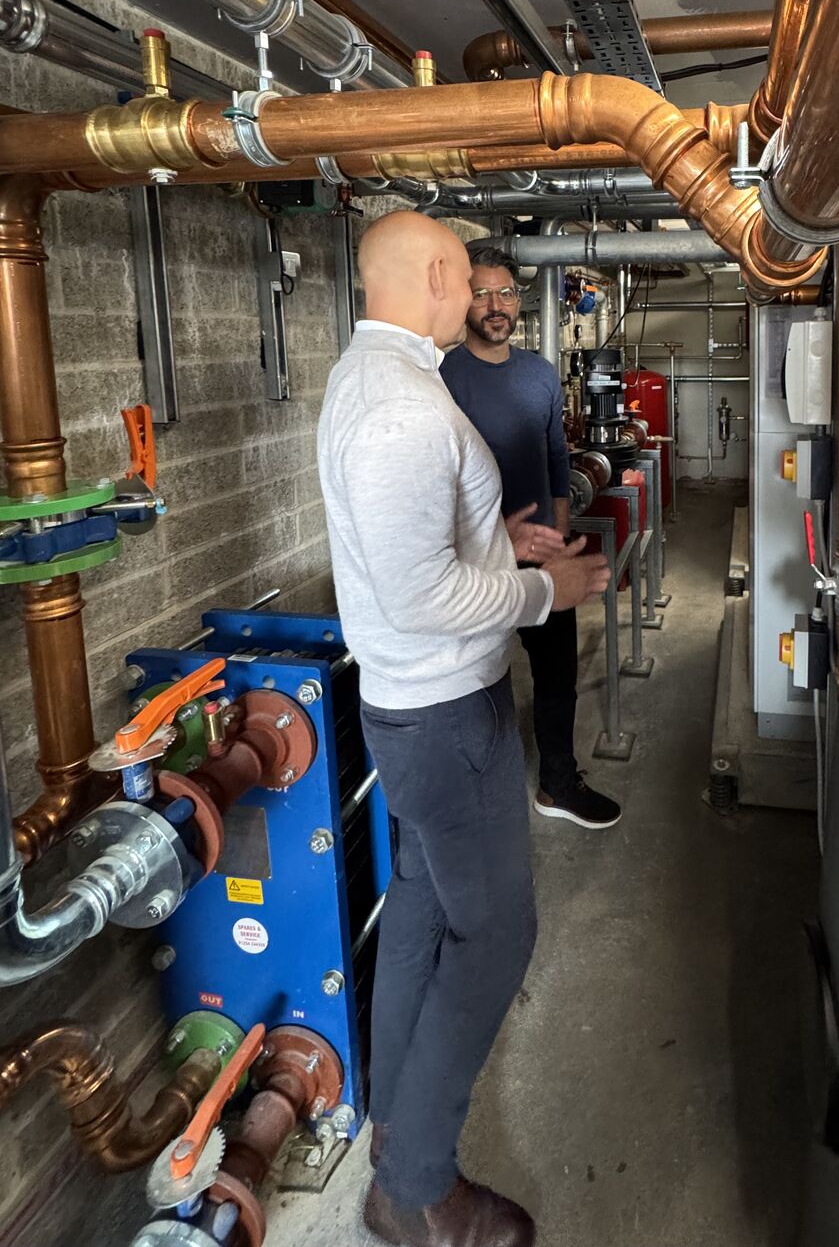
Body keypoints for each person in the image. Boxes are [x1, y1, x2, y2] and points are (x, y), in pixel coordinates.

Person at [317, 211, 609, 1247]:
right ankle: (416, 1186)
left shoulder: (384, 380)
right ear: (441, 273)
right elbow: (416, 593)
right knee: (496, 933)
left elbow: (434, 549)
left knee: (425, 907)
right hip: (444, 714)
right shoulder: (400, 410)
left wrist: (502, 538)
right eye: (468, 273)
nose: (480, 288)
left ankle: (396, 1124)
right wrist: (541, 587)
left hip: (416, 708)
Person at [441, 247, 621, 830]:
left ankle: (558, 783)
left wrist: (560, 534)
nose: (496, 306)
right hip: (478, 560)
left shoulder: (540, 373)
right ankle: (471, 797)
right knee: (472, 678)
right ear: (464, 301)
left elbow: (554, 459)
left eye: (506, 294)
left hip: (542, 553)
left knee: (556, 677)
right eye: (482, 294)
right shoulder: (443, 379)